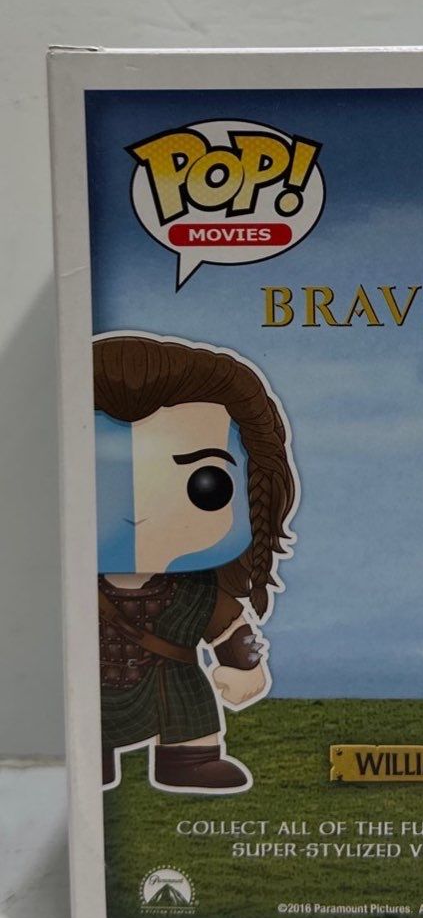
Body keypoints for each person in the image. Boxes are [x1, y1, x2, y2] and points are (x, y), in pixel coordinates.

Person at [93, 334, 298, 793]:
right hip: (93, 687)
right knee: (83, 725)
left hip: (172, 680)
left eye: (206, 485)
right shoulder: (65, 591)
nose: (137, 513)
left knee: (188, 710)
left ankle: (189, 759)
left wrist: (245, 667)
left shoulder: (198, 590)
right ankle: (88, 758)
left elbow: (230, 630)